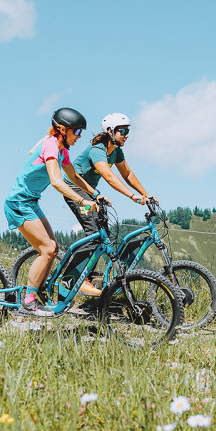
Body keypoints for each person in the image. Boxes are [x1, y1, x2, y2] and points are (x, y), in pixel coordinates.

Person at [4, 107, 104, 316]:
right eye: (76, 132)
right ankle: (29, 301)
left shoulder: (62, 150)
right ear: (62, 129)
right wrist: (81, 200)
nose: (78, 137)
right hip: (19, 203)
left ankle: (38, 292)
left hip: (30, 202)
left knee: (54, 248)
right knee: (47, 250)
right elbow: (57, 181)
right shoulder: (51, 146)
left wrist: (95, 194)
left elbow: (74, 177)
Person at [62, 112, 157, 295]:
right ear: (111, 131)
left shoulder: (117, 151)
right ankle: (74, 280)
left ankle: (90, 274)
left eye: (128, 131)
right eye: (123, 131)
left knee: (103, 233)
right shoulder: (98, 149)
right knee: (94, 234)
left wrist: (146, 195)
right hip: (75, 189)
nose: (127, 135)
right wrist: (132, 196)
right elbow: (109, 177)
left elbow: (127, 174)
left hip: (90, 192)